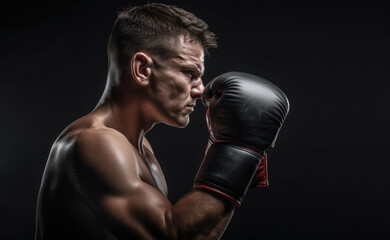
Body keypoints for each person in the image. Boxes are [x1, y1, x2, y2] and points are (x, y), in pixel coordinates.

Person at [35, 3, 289, 240]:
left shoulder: (140, 146)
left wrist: (235, 151)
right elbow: (172, 234)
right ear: (143, 69)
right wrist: (237, 149)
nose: (200, 90)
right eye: (190, 73)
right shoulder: (95, 142)